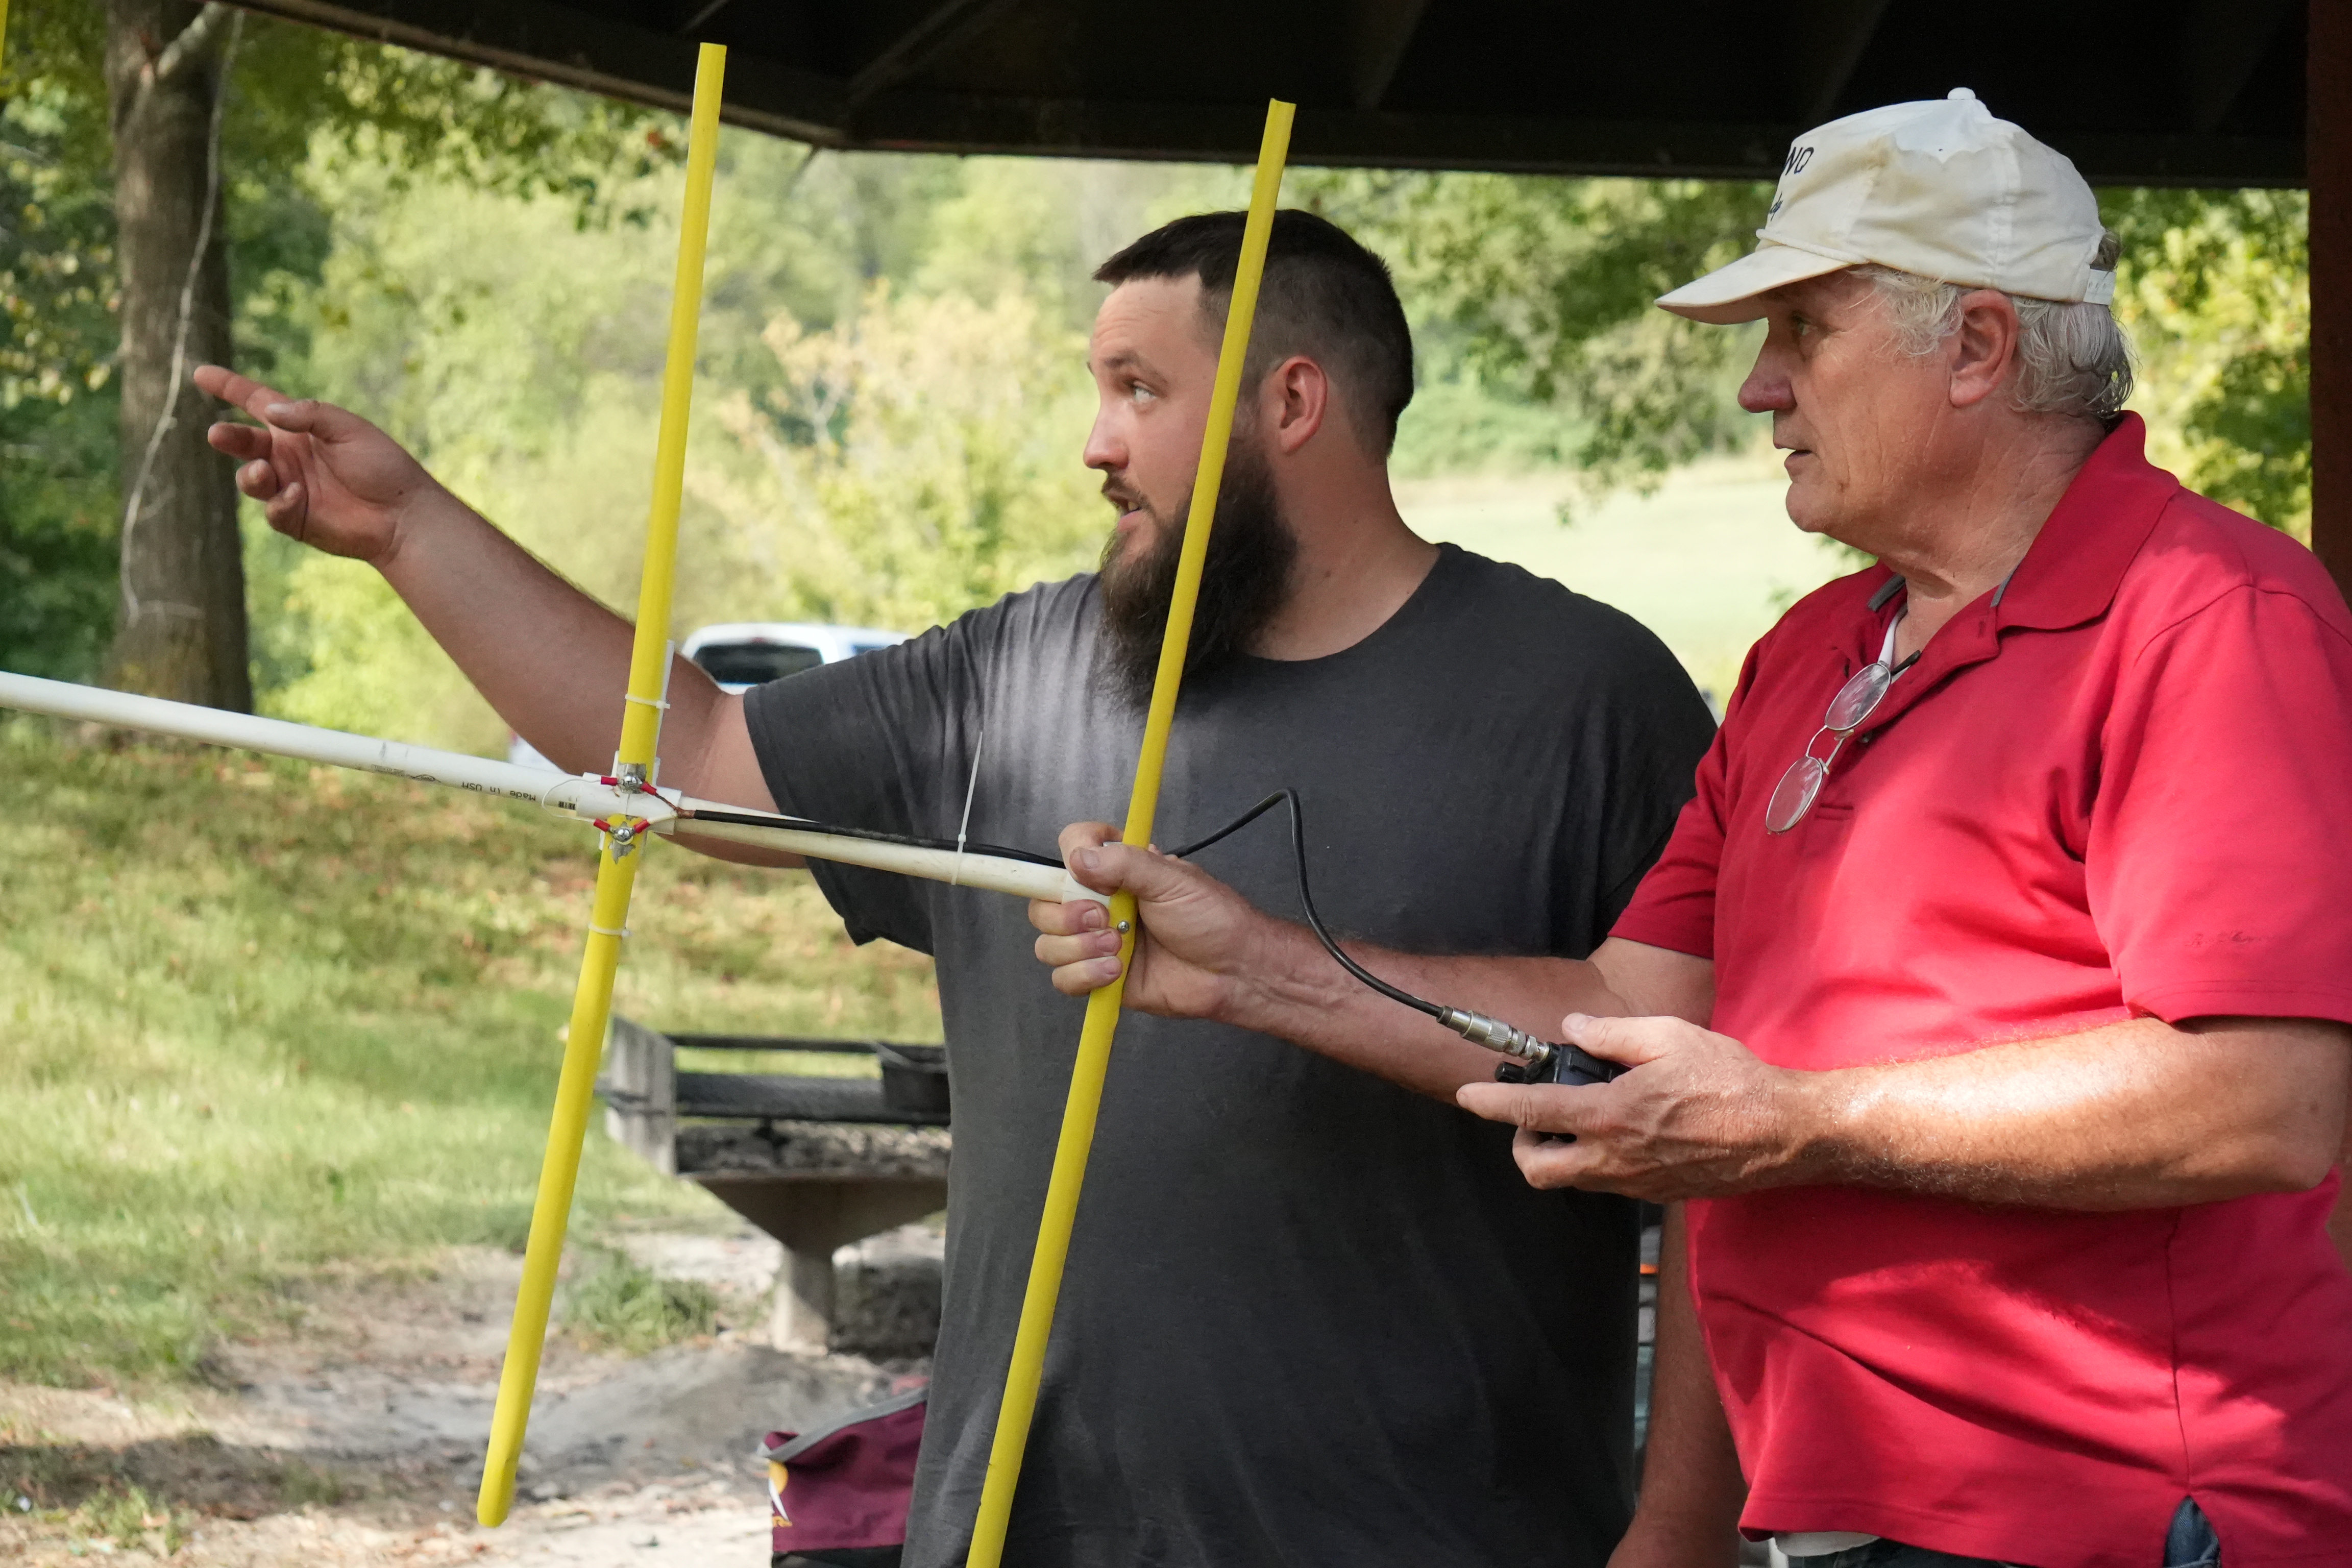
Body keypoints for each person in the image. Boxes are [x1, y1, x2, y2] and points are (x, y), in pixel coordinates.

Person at [197, 209, 1716, 1567]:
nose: (1095, 443)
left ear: (1292, 404)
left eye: (1139, 389)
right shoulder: (1022, 672)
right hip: (1023, 1532)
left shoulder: (1586, 699)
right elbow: (701, 757)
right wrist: (408, 529)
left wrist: (1680, 1531)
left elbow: (1711, 1125)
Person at [1030, 93, 2352, 1567]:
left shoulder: (2209, 616)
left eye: (1805, 332)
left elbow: (2266, 1094)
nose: (1758, 389)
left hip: (2119, 1520)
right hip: (1833, 1519)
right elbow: (1627, 1016)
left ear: (1978, 346)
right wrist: (1253, 972)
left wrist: (1802, 1120)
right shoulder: (1811, 657)